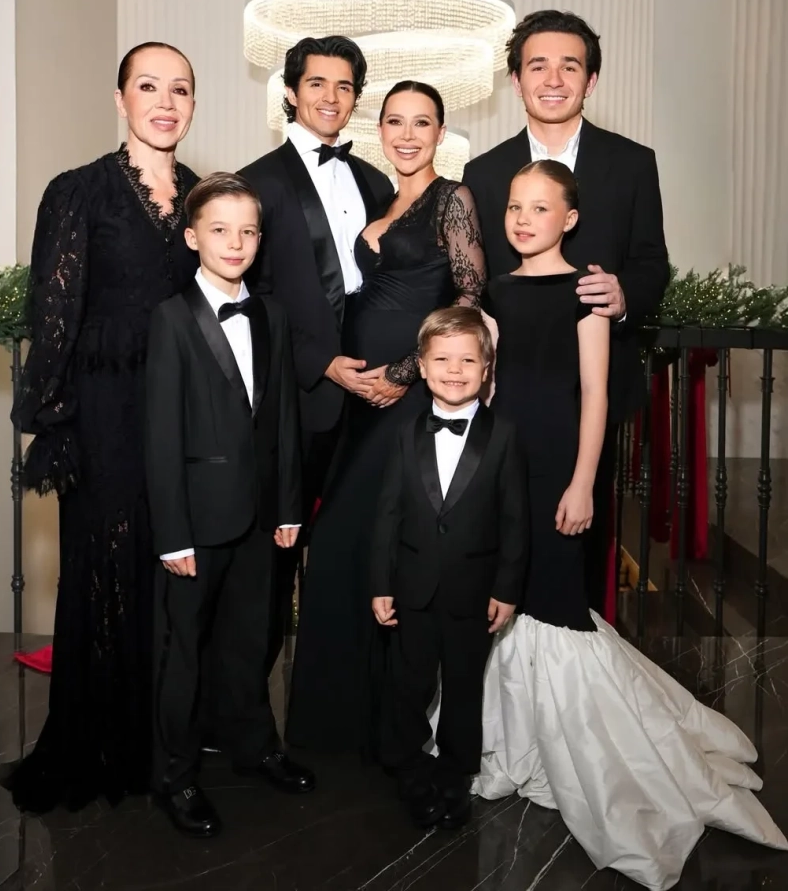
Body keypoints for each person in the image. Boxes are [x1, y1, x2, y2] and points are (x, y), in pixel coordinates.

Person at [473, 159, 787, 888]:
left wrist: (583, 481)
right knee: (510, 590)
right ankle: (517, 736)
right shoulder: (495, 292)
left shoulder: (585, 292)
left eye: (541, 207)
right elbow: (486, 385)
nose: (523, 219)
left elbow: (594, 394)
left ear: (570, 218)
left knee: (554, 601)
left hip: (560, 460)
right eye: (515, 206)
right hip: (504, 461)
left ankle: (580, 748)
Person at [2, 43, 201, 813]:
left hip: (181, 415)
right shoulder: (78, 191)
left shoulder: (205, 197)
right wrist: (54, 419)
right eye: (149, 86)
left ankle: (158, 742)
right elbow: (52, 313)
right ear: (120, 98)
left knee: (167, 573)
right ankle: (97, 744)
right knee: (105, 567)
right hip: (105, 411)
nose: (165, 102)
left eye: (180, 89)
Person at [285, 81, 488, 754]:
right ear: (379, 129)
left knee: (368, 545)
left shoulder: (452, 198)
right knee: (349, 551)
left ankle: (383, 728)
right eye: (395, 121)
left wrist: (405, 374)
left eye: (421, 123)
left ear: (440, 133)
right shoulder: (379, 198)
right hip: (358, 402)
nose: (407, 134)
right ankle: (338, 724)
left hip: (408, 400)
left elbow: (468, 301)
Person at [463, 10, 670, 616]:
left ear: (591, 80)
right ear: (516, 79)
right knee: (496, 552)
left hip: (591, 396)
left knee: (577, 558)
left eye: (569, 66)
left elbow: (652, 262)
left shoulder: (632, 163)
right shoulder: (483, 172)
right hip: (506, 397)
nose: (553, 79)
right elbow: (475, 284)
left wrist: (625, 295)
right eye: (538, 66)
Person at [145, 172, 314, 839]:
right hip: (195, 521)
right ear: (193, 237)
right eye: (220, 229)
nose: (235, 242)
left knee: (250, 642)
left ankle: (255, 747)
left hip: (261, 516)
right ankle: (176, 776)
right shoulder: (170, 318)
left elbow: (284, 420)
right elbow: (161, 435)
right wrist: (172, 533)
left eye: (248, 231)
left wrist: (289, 506)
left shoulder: (272, 314)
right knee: (183, 653)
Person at [238, 36, 394, 670]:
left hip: (376, 399)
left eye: (344, 86)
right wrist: (321, 361)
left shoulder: (377, 181)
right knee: (275, 558)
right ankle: (251, 699)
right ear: (290, 91)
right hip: (298, 400)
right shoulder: (256, 182)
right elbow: (253, 299)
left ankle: (344, 690)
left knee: (361, 547)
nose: (331, 97)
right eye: (317, 83)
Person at [371, 307, 528, 831]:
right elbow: (387, 515)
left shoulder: (504, 435)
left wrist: (507, 587)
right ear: (421, 366)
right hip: (411, 588)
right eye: (441, 360)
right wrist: (380, 583)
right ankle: (408, 767)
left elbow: (515, 519)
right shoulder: (404, 433)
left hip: (474, 590)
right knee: (409, 683)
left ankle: (456, 774)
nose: (454, 370)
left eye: (467, 360)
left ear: (487, 369)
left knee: (464, 686)